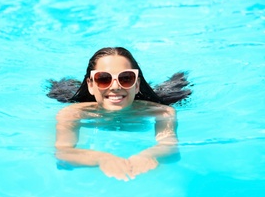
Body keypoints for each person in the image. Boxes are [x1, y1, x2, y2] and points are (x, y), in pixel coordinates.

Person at [46, 47, 192, 181]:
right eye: (103, 79)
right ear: (90, 85)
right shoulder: (72, 114)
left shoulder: (163, 112)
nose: (115, 86)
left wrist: (148, 155)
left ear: (137, 85)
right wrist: (102, 159)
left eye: (126, 78)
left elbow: (169, 146)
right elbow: (63, 152)